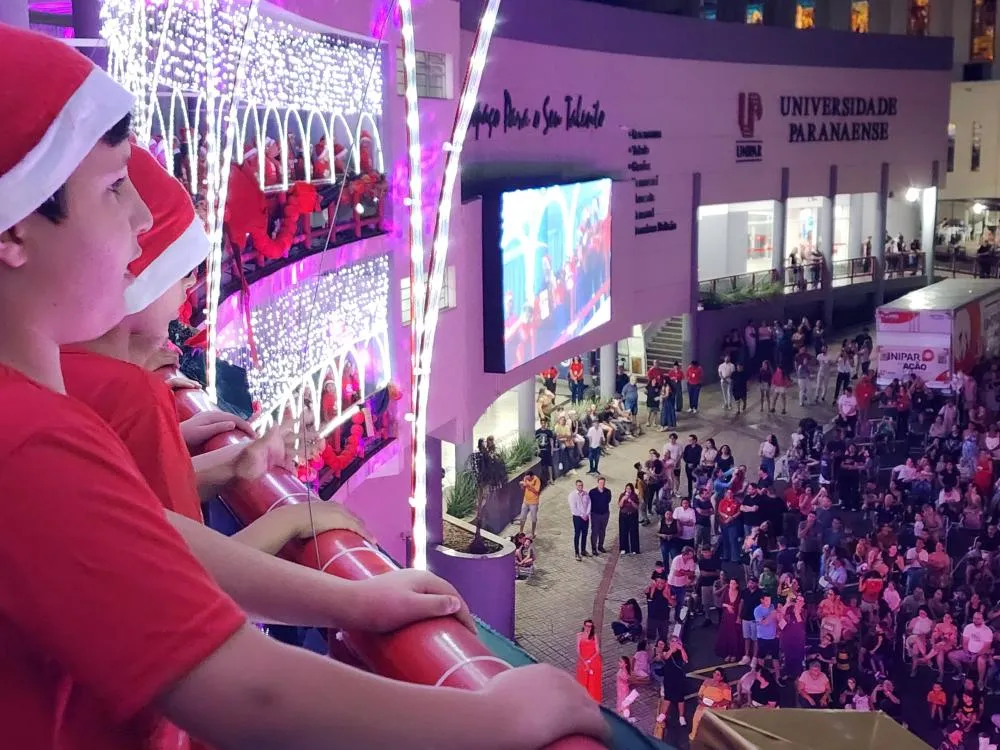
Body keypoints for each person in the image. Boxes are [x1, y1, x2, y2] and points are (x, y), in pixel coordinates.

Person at [0, 24, 606, 750]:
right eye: (112, 186)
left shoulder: (36, 419)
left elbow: (150, 538)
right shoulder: (28, 440)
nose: (140, 218)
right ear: (13, 233)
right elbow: (246, 692)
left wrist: (349, 601)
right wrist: (494, 721)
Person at [690, 669, 731, 741]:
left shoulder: (725, 686)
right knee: (696, 719)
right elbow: (699, 695)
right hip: (704, 704)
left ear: (721, 678)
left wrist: (716, 705)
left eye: (718, 674)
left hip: (717, 707)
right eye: (714, 673)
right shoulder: (707, 682)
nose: (715, 675)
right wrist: (700, 701)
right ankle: (694, 735)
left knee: (710, 724)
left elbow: (727, 700)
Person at [575, 619, 602, 702]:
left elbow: (597, 651)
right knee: (582, 679)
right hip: (583, 660)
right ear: (584, 626)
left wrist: (590, 660)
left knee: (592, 681)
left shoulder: (594, 636)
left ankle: (592, 698)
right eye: (587, 626)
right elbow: (578, 651)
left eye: (590, 626)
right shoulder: (579, 635)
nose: (588, 628)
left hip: (593, 660)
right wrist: (584, 662)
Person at [568, 479, 591, 561]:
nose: (580, 487)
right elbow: (573, 508)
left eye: (581, 485)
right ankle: (577, 553)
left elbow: (589, 503)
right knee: (577, 534)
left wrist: (587, 514)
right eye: (579, 485)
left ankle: (583, 550)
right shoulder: (572, 495)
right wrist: (582, 515)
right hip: (577, 518)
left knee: (585, 534)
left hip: (586, 517)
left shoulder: (586, 494)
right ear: (576, 486)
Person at [588, 476, 612, 555]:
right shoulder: (592, 492)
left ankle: (600, 546)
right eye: (601, 483)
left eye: (603, 483)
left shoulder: (608, 491)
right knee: (595, 531)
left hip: (605, 514)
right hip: (595, 515)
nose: (602, 484)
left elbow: (608, 501)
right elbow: (589, 502)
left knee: (602, 531)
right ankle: (594, 548)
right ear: (598, 483)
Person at [618, 482, 641, 555]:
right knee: (623, 532)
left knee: (633, 532)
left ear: (632, 489)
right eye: (627, 488)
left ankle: (635, 549)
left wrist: (631, 501)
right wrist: (623, 499)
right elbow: (620, 505)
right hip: (623, 515)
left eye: (629, 489)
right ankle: (624, 548)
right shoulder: (622, 495)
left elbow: (637, 507)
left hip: (633, 515)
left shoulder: (635, 496)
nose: (628, 490)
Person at [517, 470, 542, 536]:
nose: (527, 479)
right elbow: (523, 488)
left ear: (532, 476)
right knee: (522, 517)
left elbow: (537, 491)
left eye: (529, 478)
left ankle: (533, 533)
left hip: (534, 503)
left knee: (533, 519)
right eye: (526, 478)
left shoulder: (537, 480)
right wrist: (521, 485)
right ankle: (521, 531)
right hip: (525, 501)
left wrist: (528, 485)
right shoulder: (526, 478)